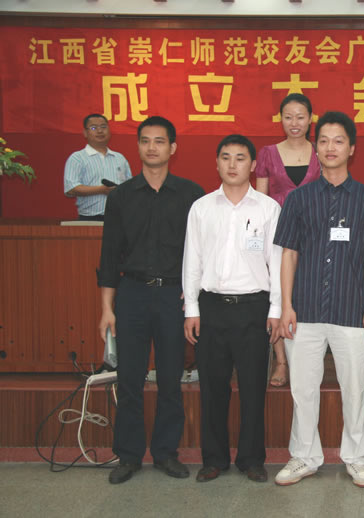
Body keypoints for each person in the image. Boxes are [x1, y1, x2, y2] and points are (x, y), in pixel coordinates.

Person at [273, 111, 364, 488]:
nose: (330, 147)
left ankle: (357, 458)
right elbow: (288, 254)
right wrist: (286, 306)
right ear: (315, 148)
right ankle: (304, 456)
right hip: (304, 310)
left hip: (350, 311)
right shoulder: (298, 199)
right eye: (323, 140)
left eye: (338, 140)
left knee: (354, 390)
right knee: (303, 390)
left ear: (351, 148)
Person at [98, 116, 205, 484]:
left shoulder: (192, 195)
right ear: (138, 146)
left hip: (174, 296)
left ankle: (165, 452)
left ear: (172, 147)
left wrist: (194, 300)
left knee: (171, 378)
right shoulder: (121, 197)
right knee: (129, 377)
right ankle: (128, 456)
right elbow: (109, 257)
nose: (152, 147)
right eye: (145, 141)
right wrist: (107, 308)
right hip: (132, 294)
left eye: (160, 141)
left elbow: (200, 253)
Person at [183, 134, 282, 483]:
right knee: (212, 388)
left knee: (254, 388)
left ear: (253, 165)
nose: (232, 164)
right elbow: (192, 261)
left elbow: (277, 263)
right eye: (225, 157)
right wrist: (191, 309)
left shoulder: (268, 209)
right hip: (211, 308)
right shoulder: (202, 207)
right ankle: (214, 459)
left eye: (240, 158)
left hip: (254, 307)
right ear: (217, 163)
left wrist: (275, 310)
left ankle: (251, 459)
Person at [256, 93, 320, 387]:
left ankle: (307, 358)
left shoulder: (320, 151)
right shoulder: (268, 153)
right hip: (277, 236)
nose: (294, 123)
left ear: (310, 119)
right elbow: (260, 199)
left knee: (308, 295)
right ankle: (281, 361)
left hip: (313, 235)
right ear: (280, 119)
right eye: (288, 117)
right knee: (279, 295)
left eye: (300, 117)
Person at [64, 113, 132, 221]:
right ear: (85, 133)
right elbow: (71, 189)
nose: (100, 131)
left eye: (103, 127)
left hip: (119, 217)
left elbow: (129, 187)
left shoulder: (120, 158)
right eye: (94, 128)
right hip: (90, 218)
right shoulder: (77, 158)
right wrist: (101, 190)